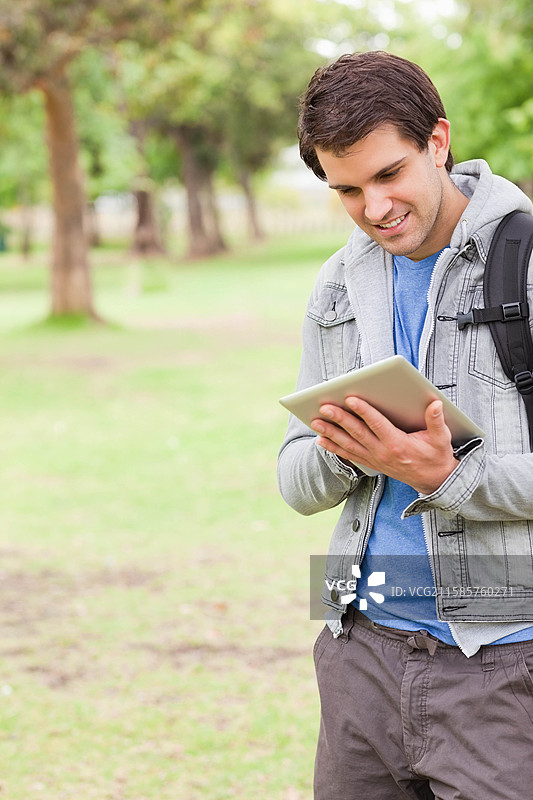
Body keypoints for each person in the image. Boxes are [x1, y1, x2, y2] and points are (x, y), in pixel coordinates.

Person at [277, 50, 533, 800]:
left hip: (501, 657)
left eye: (389, 175)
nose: (373, 208)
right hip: (358, 643)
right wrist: (351, 451)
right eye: (347, 189)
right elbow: (294, 483)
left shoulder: (524, 265)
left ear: (437, 142)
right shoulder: (336, 283)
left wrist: (446, 476)